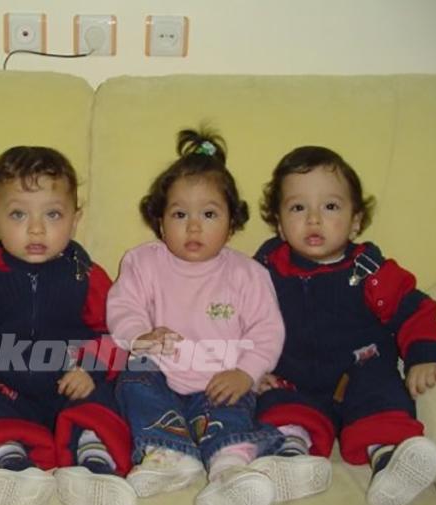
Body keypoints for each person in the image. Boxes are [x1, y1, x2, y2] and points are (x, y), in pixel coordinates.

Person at [107, 128, 320, 505]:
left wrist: (246, 373)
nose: (193, 226)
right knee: (133, 379)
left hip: (221, 379)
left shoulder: (247, 274)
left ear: (232, 223)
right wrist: (139, 335)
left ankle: (230, 467)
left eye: (209, 214)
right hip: (162, 375)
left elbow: (267, 330)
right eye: (179, 214)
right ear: (160, 222)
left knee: (231, 408)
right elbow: (124, 306)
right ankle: (169, 454)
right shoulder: (143, 262)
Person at [0, 146, 135, 505]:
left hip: (73, 387)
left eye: (53, 214)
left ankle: (93, 462)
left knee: (111, 398)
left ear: (75, 220)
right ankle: (11, 464)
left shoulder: (87, 277)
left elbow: (116, 336)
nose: (36, 228)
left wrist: (92, 370)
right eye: (18, 214)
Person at [253, 145, 436, 505]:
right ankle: (290, 458)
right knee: (275, 404)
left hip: (360, 371)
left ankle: (389, 461)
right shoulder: (265, 270)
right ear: (279, 223)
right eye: (298, 208)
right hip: (293, 378)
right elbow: (242, 320)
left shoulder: (370, 271)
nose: (314, 219)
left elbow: (415, 309)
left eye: (330, 207)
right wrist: (252, 369)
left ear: (355, 221)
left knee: (382, 393)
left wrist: (423, 355)